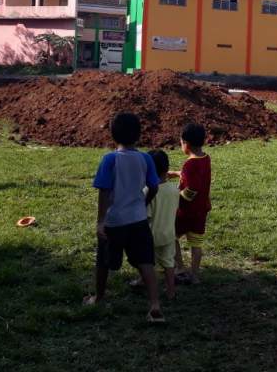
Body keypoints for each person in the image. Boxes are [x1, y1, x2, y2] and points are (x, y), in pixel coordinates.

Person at [87, 112, 165, 323]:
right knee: (145, 261)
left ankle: (99, 297)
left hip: (114, 222)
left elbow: (103, 191)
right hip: (138, 221)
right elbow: (155, 186)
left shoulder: (110, 159)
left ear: (113, 135)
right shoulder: (146, 158)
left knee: (103, 262)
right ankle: (155, 305)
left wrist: (101, 220)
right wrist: (144, 203)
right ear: (138, 135)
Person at [169, 123, 211, 284]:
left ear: (185, 143)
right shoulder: (205, 158)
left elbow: (191, 189)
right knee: (196, 244)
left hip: (186, 212)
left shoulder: (189, 164)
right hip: (202, 210)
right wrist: (176, 173)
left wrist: (176, 197)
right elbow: (198, 178)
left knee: (172, 236)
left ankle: (180, 268)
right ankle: (194, 275)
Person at [137, 149, 179, 300]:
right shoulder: (175, 189)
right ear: (167, 169)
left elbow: (146, 216)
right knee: (168, 263)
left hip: (150, 236)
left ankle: (142, 280)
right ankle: (171, 292)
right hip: (169, 234)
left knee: (145, 261)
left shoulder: (148, 191)